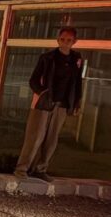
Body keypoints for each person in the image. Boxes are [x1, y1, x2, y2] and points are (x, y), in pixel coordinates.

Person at [14, 26, 83, 180]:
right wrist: (42, 93)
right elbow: (33, 80)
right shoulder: (48, 57)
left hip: (63, 104)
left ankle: (40, 169)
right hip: (44, 103)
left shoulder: (76, 59)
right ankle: (22, 169)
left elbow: (78, 82)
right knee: (35, 136)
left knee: (52, 139)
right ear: (58, 40)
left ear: (74, 42)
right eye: (62, 39)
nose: (65, 43)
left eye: (69, 40)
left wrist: (76, 102)